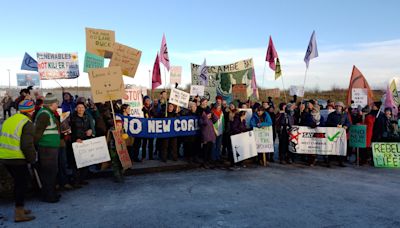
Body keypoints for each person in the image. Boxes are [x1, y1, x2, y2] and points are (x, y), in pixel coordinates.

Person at [0, 100, 36, 222]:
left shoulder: (10, 119)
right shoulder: (27, 123)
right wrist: (32, 160)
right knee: (22, 184)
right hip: (17, 158)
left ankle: (20, 207)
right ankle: (19, 213)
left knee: (18, 183)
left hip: (4, 156)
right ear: (31, 111)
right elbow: (27, 145)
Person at [34, 93, 61, 203]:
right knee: (48, 172)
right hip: (46, 148)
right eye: (56, 103)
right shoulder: (44, 114)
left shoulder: (49, 113)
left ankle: (51, 193)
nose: (57, 104)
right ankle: (48, 195)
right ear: (51, 104)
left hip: (50, 148)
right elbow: (37, 133)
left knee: (52, 171)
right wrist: (36, 146)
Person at [69, 102, 95, 186]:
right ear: (76, 108)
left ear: (84, 108)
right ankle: (76, 181)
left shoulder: (87, 117)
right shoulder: (72, 118)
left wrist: (90, 130)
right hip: (76, 142)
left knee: (85, 160)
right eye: (79, 107)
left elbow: (91, 127)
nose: (80, 109)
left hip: (86, 141)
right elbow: (69, 131)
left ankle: (82, 179)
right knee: (76, 162)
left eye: (82, 107)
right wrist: (75, 138)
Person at [326, 102, 351, 167]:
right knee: (332, 147)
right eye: (337, 106)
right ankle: (329, 162)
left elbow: (348, 123)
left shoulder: (345, 115)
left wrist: (346, 126)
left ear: (342, 107)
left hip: (341, 135)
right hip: (333, 134)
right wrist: (335, 125)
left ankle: (341, 162)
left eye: (339, 106)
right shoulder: (331, 114)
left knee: (340, 147)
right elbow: (327, 123)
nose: (338, 107)